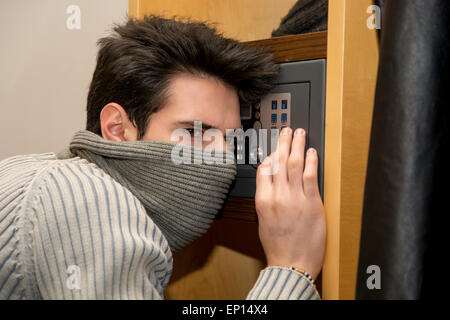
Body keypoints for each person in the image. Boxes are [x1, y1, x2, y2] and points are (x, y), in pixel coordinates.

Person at [0, 15, 326, 300]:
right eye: (196, 132)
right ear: (116, 127)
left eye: (228, 139)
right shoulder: (89, 200)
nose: (223, 159)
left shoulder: (42, 174)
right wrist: (290, 267)